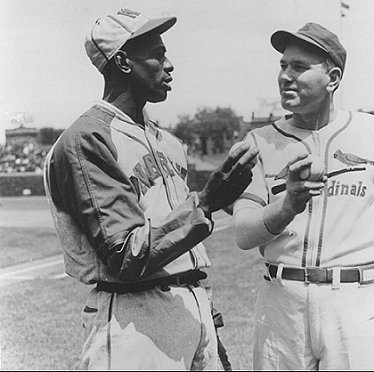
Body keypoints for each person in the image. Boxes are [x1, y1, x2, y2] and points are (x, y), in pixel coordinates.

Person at [231, 22, 374, 370]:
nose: (285, 76)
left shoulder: (372, 131)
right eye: (283, 66)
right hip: (281, 301)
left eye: (299, 66)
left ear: (333, 78)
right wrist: (287, 207)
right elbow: (244, 234)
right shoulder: (260, 142)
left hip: (356, 299)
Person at [42, 8, 258, 370]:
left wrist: (208, 317)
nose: (169, 64)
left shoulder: (169, 142)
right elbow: (125, 256)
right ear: (123, 61)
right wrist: (205, 203)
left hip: (192, 305)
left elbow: (185, 251)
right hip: (133, 317)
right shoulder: (87, 139)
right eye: (158, 54)